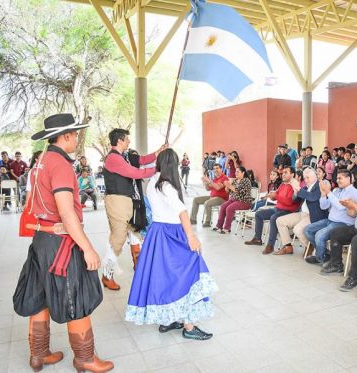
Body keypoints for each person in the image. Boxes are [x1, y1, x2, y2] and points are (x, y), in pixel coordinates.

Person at [12, 113, 113, 372]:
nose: (77, 138)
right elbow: (67, 213)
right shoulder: (61, 165)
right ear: (66, 135)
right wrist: (88, 248)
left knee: (39, 295)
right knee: (76, 297)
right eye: (75, 134)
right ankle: (85, 358)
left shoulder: (40, 162)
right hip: (60, 243)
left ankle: (39, 355)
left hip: (41, 240)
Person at [125, 148, 218, 340]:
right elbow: (182, 212)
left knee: (165, 276)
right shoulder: (166, 186)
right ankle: (189, 327)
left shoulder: (152, 183)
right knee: (190, 274)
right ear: (172, 166)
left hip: (157, 234)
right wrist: (191, 237)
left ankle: (168, 320)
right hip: (172, 234)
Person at [101, 128, 166, 291]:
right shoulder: (113, 159)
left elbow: (142, 160)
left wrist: (159, 152)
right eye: (127, 139)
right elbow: (135, 173)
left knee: (138, 233)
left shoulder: (124, 157)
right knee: (118, 239)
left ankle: (141, 266)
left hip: (126, 201)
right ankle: (107, 275)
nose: (129, 141)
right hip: (117, 201)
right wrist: (157, 170)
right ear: (120, 140)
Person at [304, 168, 357, 264]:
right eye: (337, 178)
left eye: (340, 178)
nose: (337, 180)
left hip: (343, 223)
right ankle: (324, 254)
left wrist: (328, 192)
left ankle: (320, 258)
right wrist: (323, 195)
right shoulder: (336, 190)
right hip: (330, 220)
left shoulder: (353, 192)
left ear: (348, 179)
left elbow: (340, 206)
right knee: (307, 230)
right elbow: (324, 206)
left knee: (319, 235)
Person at [244, 167, 301, 254]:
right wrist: (272, 196)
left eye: (286, 172)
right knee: (259, 214)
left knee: (273, 218)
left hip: (288, 211)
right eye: (283, 173)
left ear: (292, 174)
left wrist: (276, 196)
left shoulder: (294, 186)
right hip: (277, 208)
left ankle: (270, 245)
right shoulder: (282, 184)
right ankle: (257, 239)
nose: (283, 174)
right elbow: (277, 196)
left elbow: (289, 201)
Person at [274, 168, 328, 255]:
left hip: (314, 215)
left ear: (315, 177)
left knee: (297, 229)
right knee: (280, 221)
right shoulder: (306, 187)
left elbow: (312, 197)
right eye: (304, 178)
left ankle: (309, 245)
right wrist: (295, 192)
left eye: (308, 178)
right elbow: (295, 199)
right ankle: (288, 247)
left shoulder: (319, 185)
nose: (306, 180)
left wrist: (298, 188)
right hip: (302, 213)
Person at [214, 166, 253, 233]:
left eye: (238, 172)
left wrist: (229, 186)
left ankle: (227, 228)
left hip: (244, 201)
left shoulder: (246, 181)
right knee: (223, 206)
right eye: (235, 171)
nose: (236, 173)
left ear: (243, 173)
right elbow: (230, 191)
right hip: (234, 199)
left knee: (229, 208)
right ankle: (219, 226)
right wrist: (227, 188)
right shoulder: (235, 180)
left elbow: (240, 192)